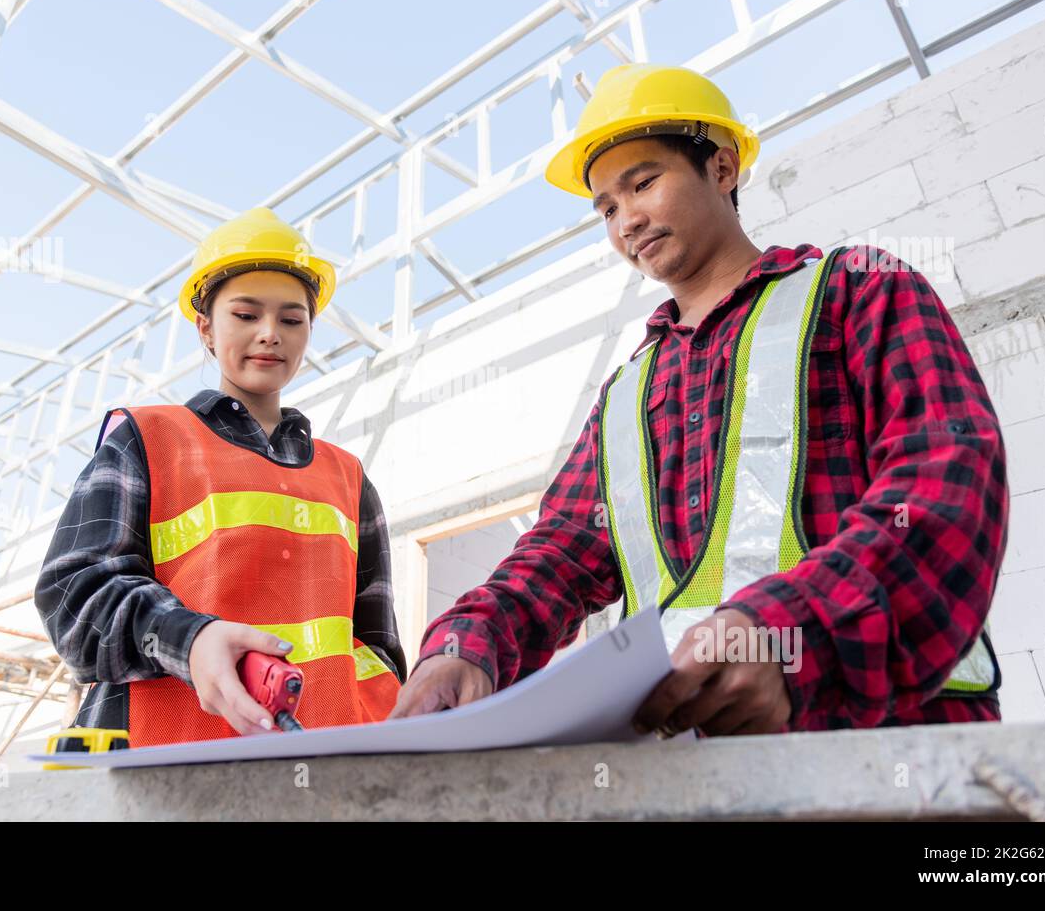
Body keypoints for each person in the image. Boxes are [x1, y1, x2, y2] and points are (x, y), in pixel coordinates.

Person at [390, 64, 1006, 735]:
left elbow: (947, 479)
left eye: (643, 182)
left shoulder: (859, 291)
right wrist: (464, 644)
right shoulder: (628, 391)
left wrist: (792, 632)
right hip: (691, 759)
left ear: (722, 168)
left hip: (886, 749)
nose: (626, 220)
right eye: (605, 207)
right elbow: (559, 552)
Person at [36, 207, 405, 746]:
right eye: (246, 314)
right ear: (206, 328)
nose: (270, 334)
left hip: (321, 772)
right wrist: (188, 640)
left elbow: (376, 649)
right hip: (163, 766)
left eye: (291, 319)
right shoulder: (148, 438)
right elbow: (72, 594)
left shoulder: (347, 478)